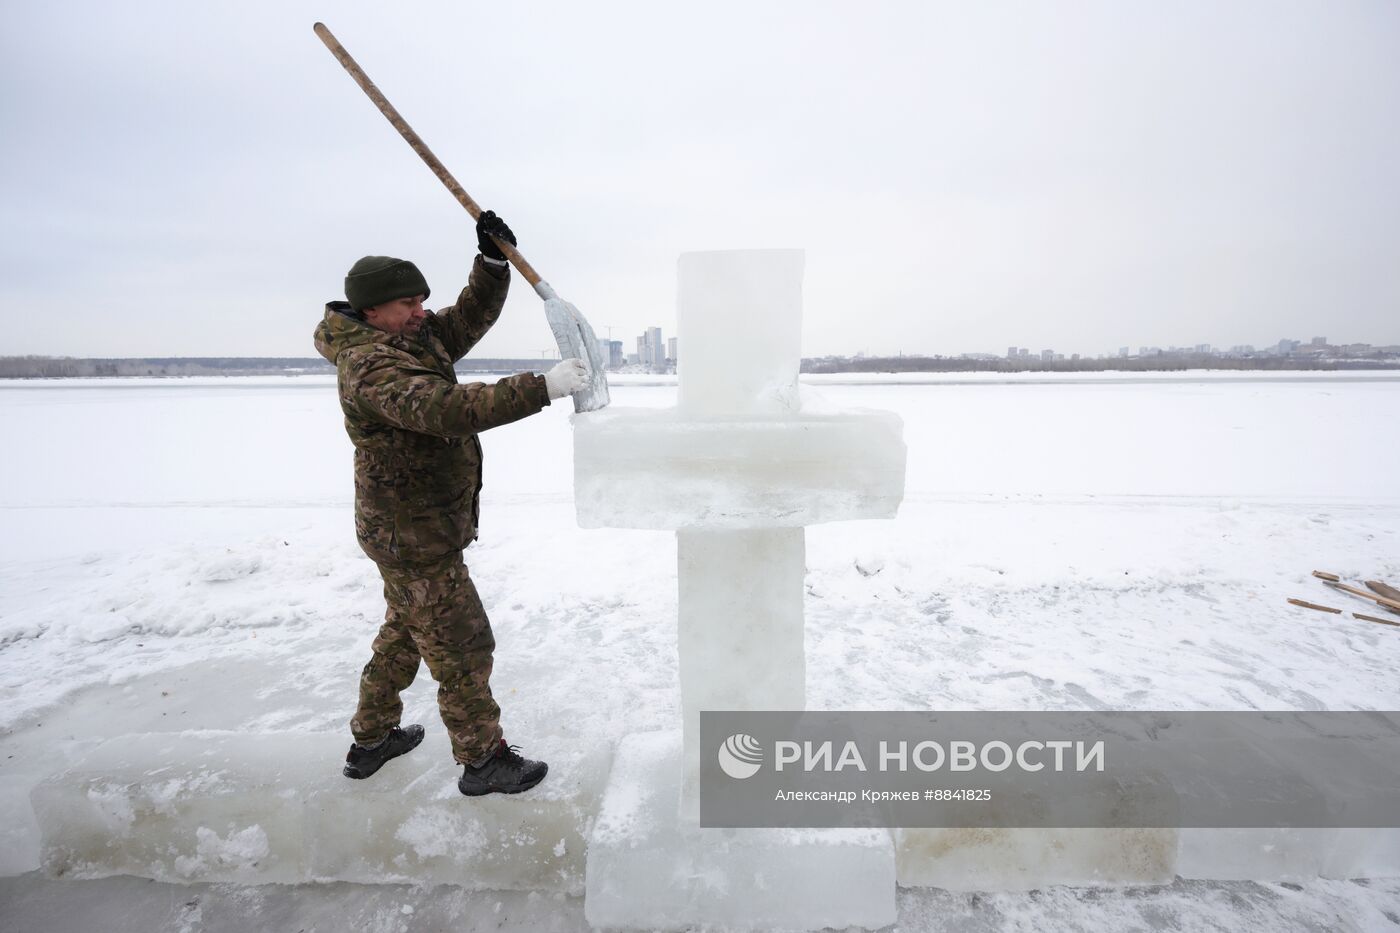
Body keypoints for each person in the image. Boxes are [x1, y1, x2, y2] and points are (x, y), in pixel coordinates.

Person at [312, 210, 588, 796]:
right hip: (411, 534)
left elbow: (465, 319)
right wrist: (542, 387)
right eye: (408, 304)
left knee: (406, 632)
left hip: (416, 526)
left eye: (421, 301)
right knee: (461, 644)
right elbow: (446, 410)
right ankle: (483, 761)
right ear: (371, 311)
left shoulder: (407, 338)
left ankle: (371, 739)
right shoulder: (371, 365)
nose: (421, 312)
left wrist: (490, 262)